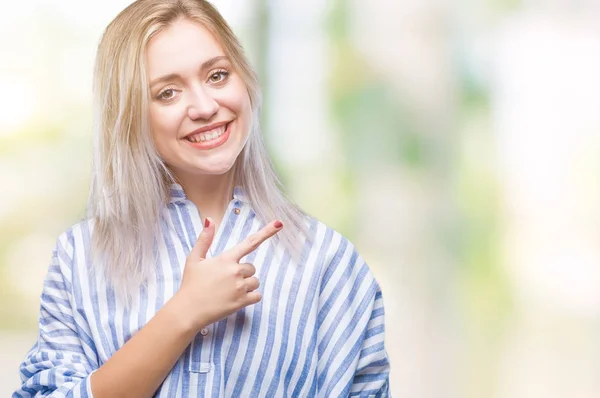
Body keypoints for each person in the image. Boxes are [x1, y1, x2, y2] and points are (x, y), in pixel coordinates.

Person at [14, 0, 391, 397]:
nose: (206, 107)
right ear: (129, 115)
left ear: (245, 79)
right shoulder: (80, 258)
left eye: (217, 75)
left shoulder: (327, 263)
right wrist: (183, 313)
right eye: (168, 92)